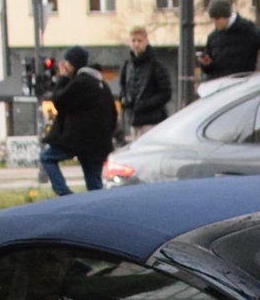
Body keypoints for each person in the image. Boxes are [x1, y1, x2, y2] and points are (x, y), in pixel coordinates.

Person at [38, 46, 116, 195]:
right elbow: (113, 114)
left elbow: (59, 101)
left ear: (72, 63)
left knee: (47, 158)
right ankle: (99, 210)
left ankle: (65, 194)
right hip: (98, 143)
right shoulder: (101, 84)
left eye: (66, 62)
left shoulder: (81, 82)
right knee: (94, 184)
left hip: (78, 140)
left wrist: (63, 77)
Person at [196, 0, 260, 80]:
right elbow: (211, 69)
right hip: (219, 87)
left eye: (217, 19)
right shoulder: (213, 37)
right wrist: (206, 64)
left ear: (226, 16)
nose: (215, 23)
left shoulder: (246, 29)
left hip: (241, 86)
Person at [117, 26, 172, 134]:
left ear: (146, 41)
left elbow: (166, 93)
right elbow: (123, 88)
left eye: (139, 40)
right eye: (133, 41)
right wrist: (124, 99)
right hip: (134, 120)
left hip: (152, 121)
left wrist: (145, 104)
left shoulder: (156, 65)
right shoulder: (127, 65)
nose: (136, 44)